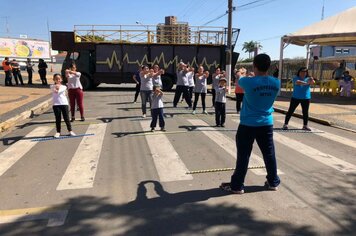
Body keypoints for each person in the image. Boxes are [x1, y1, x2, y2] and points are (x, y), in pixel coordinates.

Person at [220, 53, 281, 194]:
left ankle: (237, 185)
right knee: (269, 154)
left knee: (244, 155)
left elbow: (238, 78)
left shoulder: (248, 81)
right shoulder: (276, 82)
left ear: (254, 65)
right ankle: (273, 182)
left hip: (248, 124)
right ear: (269, 66)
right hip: (266, 123)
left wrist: (240, 72)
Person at [283, 67, 315, 131]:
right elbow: (298, 82)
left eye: (305, 72)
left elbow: (313, 82)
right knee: (291, 111)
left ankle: (305, 126)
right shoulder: (295, 77)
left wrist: (311, 80)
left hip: (306, 98)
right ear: (299, 72)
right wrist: (308, 83)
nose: (303, 73)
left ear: (306, 73)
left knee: (305, 112)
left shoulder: (308, 78)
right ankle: (285, 124)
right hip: (295, 97)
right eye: (302, 71)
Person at [51, 73, 76, 138]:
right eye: (56, 79)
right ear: (54, 79)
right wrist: (56, 87)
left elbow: (58, 91)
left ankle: (70, 130)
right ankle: (58, 132)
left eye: (59, 79)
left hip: (64, 104)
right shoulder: (51, 86)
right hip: (56, 104)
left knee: (66, 118)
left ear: (61, 79)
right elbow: (55, 90)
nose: (58, 80)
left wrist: (57, 87)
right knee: (58, 118)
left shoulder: (64, 87)